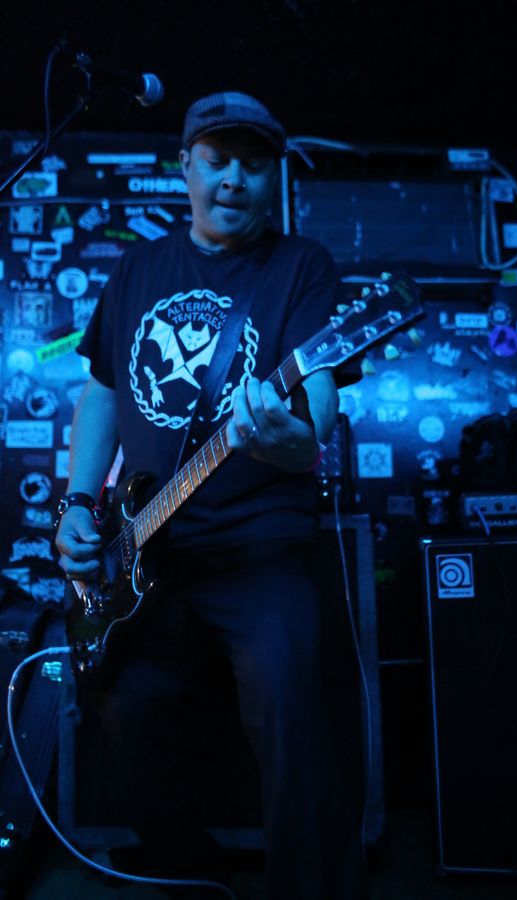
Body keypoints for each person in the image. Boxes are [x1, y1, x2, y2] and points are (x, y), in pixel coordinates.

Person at [54, 92, 367, 899]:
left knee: (290, 697)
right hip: (147, 547)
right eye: (218, 161)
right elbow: (103, 392)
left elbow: (318, 404)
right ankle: (188, 874)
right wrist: (79, 504)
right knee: (124, 702)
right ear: (185, 166)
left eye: (253, 165)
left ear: (273, 177)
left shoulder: (302, 267)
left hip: (259, 547)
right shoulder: (137, 269)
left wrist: (288, 437)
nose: (234, 179)